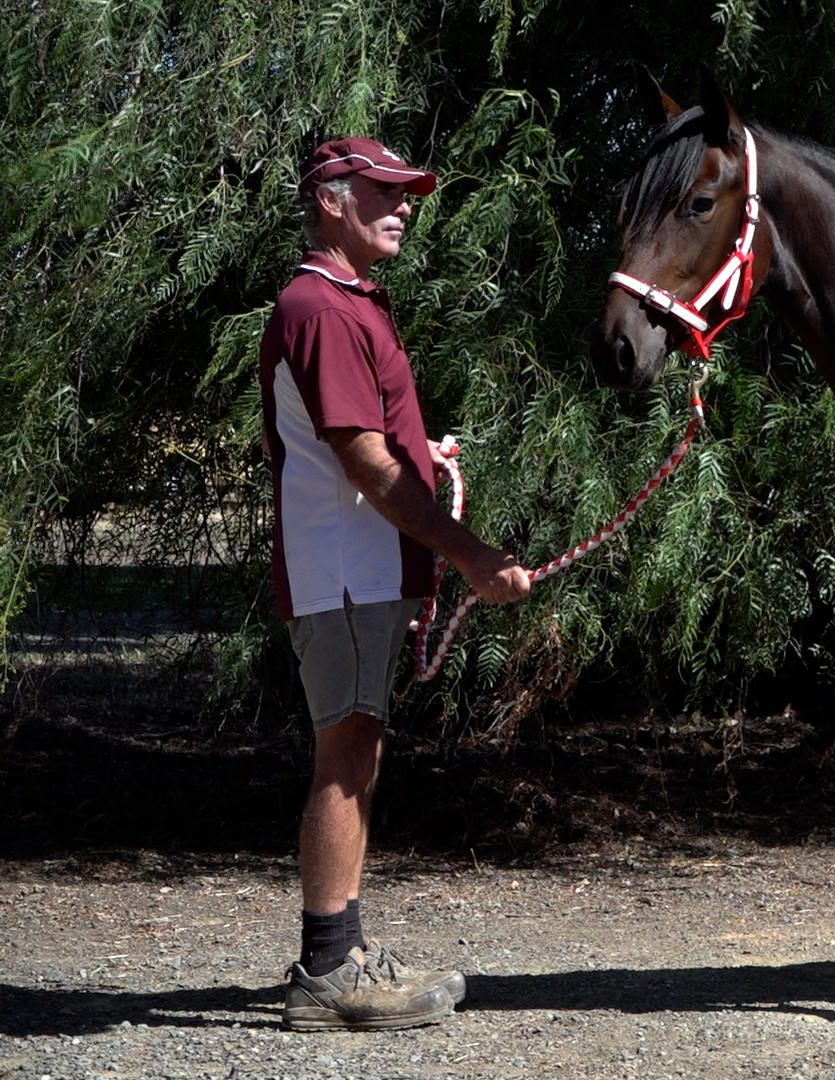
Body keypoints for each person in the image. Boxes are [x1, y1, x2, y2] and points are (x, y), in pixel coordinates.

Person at [259, 136, 532, 1031]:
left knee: (358, 748)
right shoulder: (321, 307)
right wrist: (472, 554)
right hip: (345, 570)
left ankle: (344, 954)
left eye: (406, 192)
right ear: (330, 201)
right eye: (384, 191)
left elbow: (371, 450)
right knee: (344, 755)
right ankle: (326, 973)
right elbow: (368, 467)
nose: (405, 205)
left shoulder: (343, 303)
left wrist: (424, 454)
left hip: (358, 568)